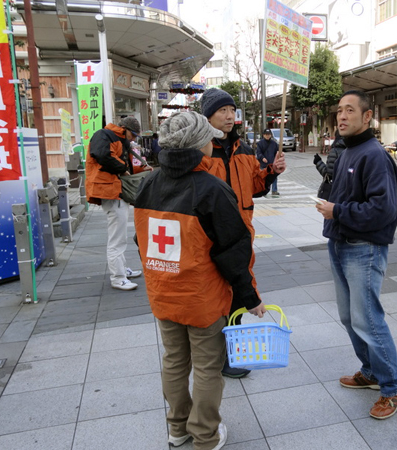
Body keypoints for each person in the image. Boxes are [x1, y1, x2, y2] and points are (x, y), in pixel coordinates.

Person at [133, 111, 267, 449]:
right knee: (208, 366)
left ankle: (177, 429)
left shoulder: (148, 183)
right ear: (195, 145)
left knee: (174, 360)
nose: (213, 141)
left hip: (163, 293)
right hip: (202, 298)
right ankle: (205, 435)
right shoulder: (211, 189)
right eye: (207, 137)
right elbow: (234, 252)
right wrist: (250, 298)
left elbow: (141, 240)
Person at [316, 90, 397, 420]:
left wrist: (337, 210)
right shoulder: (347, 152)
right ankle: (371, 371)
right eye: (339, 110)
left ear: (367, 117)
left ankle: (394, 384)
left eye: (350, 110)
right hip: (340, 243)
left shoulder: (374, 155)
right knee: (350, 317)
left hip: (363, 249)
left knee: (368, 320)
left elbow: (383, 210)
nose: (341, 116)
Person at [201, 87, 286, 378]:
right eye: (221, 111)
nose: (228, 116)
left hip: (240, 233)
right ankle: (214, 355)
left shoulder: (244, 149)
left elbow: (256, 188)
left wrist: (271, 172)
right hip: (210, 236)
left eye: (231, 110)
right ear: (208, 115)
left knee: (238, 291)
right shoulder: (201, 151)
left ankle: (231, 355)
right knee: (216, 295)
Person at [85, 116, 149, 291]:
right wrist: (123, 169)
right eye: (133, 134)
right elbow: (102, 156)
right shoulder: (105, 135)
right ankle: (118, 277)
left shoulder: (116, 138)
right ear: (124, 128)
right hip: (110, 191)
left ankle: (122, 270)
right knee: (117, 238)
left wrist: (138, 168)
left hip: (115, 190)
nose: (134, 138)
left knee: (119, 235)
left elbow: (116, 159)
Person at [313, 130, 345, 201]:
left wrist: (318, 162)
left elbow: (329, 174)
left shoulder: (335, 151)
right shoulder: (354, 150)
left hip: (336, 191)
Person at [256, 129, 280, 196]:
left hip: (272, 163)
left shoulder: (274, 144)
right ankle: (263, 190)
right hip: (263, 164)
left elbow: (276, 153)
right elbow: (258, 153)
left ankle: (274, 190)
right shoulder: (260, 143)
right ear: (263, 135)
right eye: (266, 134)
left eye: (269, 134)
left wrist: (278, 159)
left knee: (274, 177)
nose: (267, 136)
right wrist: (262, 158)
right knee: (264, 177)